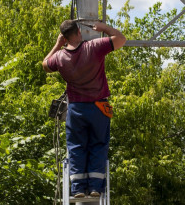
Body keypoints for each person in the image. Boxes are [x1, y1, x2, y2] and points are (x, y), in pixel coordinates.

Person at [42, 20, 126, 198]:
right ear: (79, 31)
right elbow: (120, 39)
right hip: (98, 107)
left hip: (76, 109)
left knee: (77, 147)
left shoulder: (60, 57)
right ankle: (95, 187)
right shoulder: (95, 46)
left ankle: (78, 188)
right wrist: (104, 28)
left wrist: (58, 45)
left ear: (64, 38)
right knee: (98, 144)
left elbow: (45, 65)